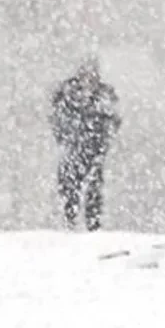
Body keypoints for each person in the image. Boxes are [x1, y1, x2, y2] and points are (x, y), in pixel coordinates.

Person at [49, 57, 121, 231]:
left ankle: (92, 224)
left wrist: (103, 139)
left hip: (94, 149)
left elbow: (113, 120)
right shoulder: (67, 95)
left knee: (93, 188)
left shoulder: (103, 97)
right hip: (74, 148)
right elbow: (57, 119)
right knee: (69, 186)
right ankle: (69, 221)